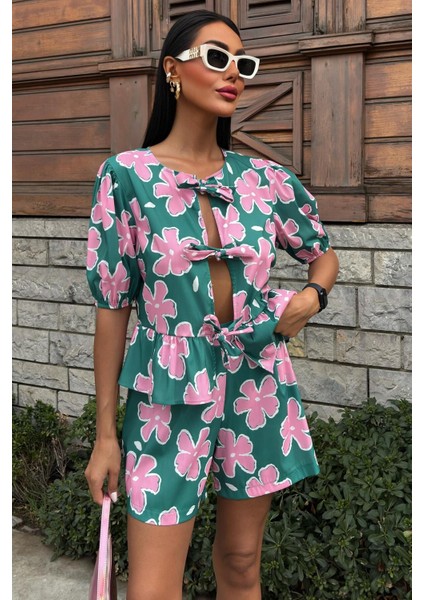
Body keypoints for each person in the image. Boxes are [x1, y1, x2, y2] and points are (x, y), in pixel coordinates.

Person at [84, 9, 339, 600]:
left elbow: (322, 254)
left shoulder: (265, 179)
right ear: (172, 70)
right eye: (218, 58)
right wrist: (105, 436)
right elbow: (112, 308)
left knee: (243, 564)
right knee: (153, 588)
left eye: (243, 64)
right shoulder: (126, 176)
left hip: (257, 383)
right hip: (167, 393)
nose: (234, 75)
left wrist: (311, 297)